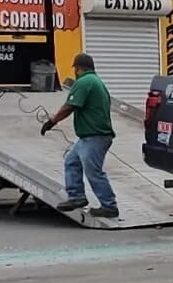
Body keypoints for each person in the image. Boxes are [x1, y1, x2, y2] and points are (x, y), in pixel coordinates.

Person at [40, 53, 118, 219]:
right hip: (89, 137)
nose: (74, 71)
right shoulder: (97, 82)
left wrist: (51, 121)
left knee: (93, 172)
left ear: (78, 68)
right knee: (71, 161)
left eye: (75, 68)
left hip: (95, 136)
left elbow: (69, 106)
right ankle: (77, 197)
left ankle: (109, 206)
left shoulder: (84, 82)